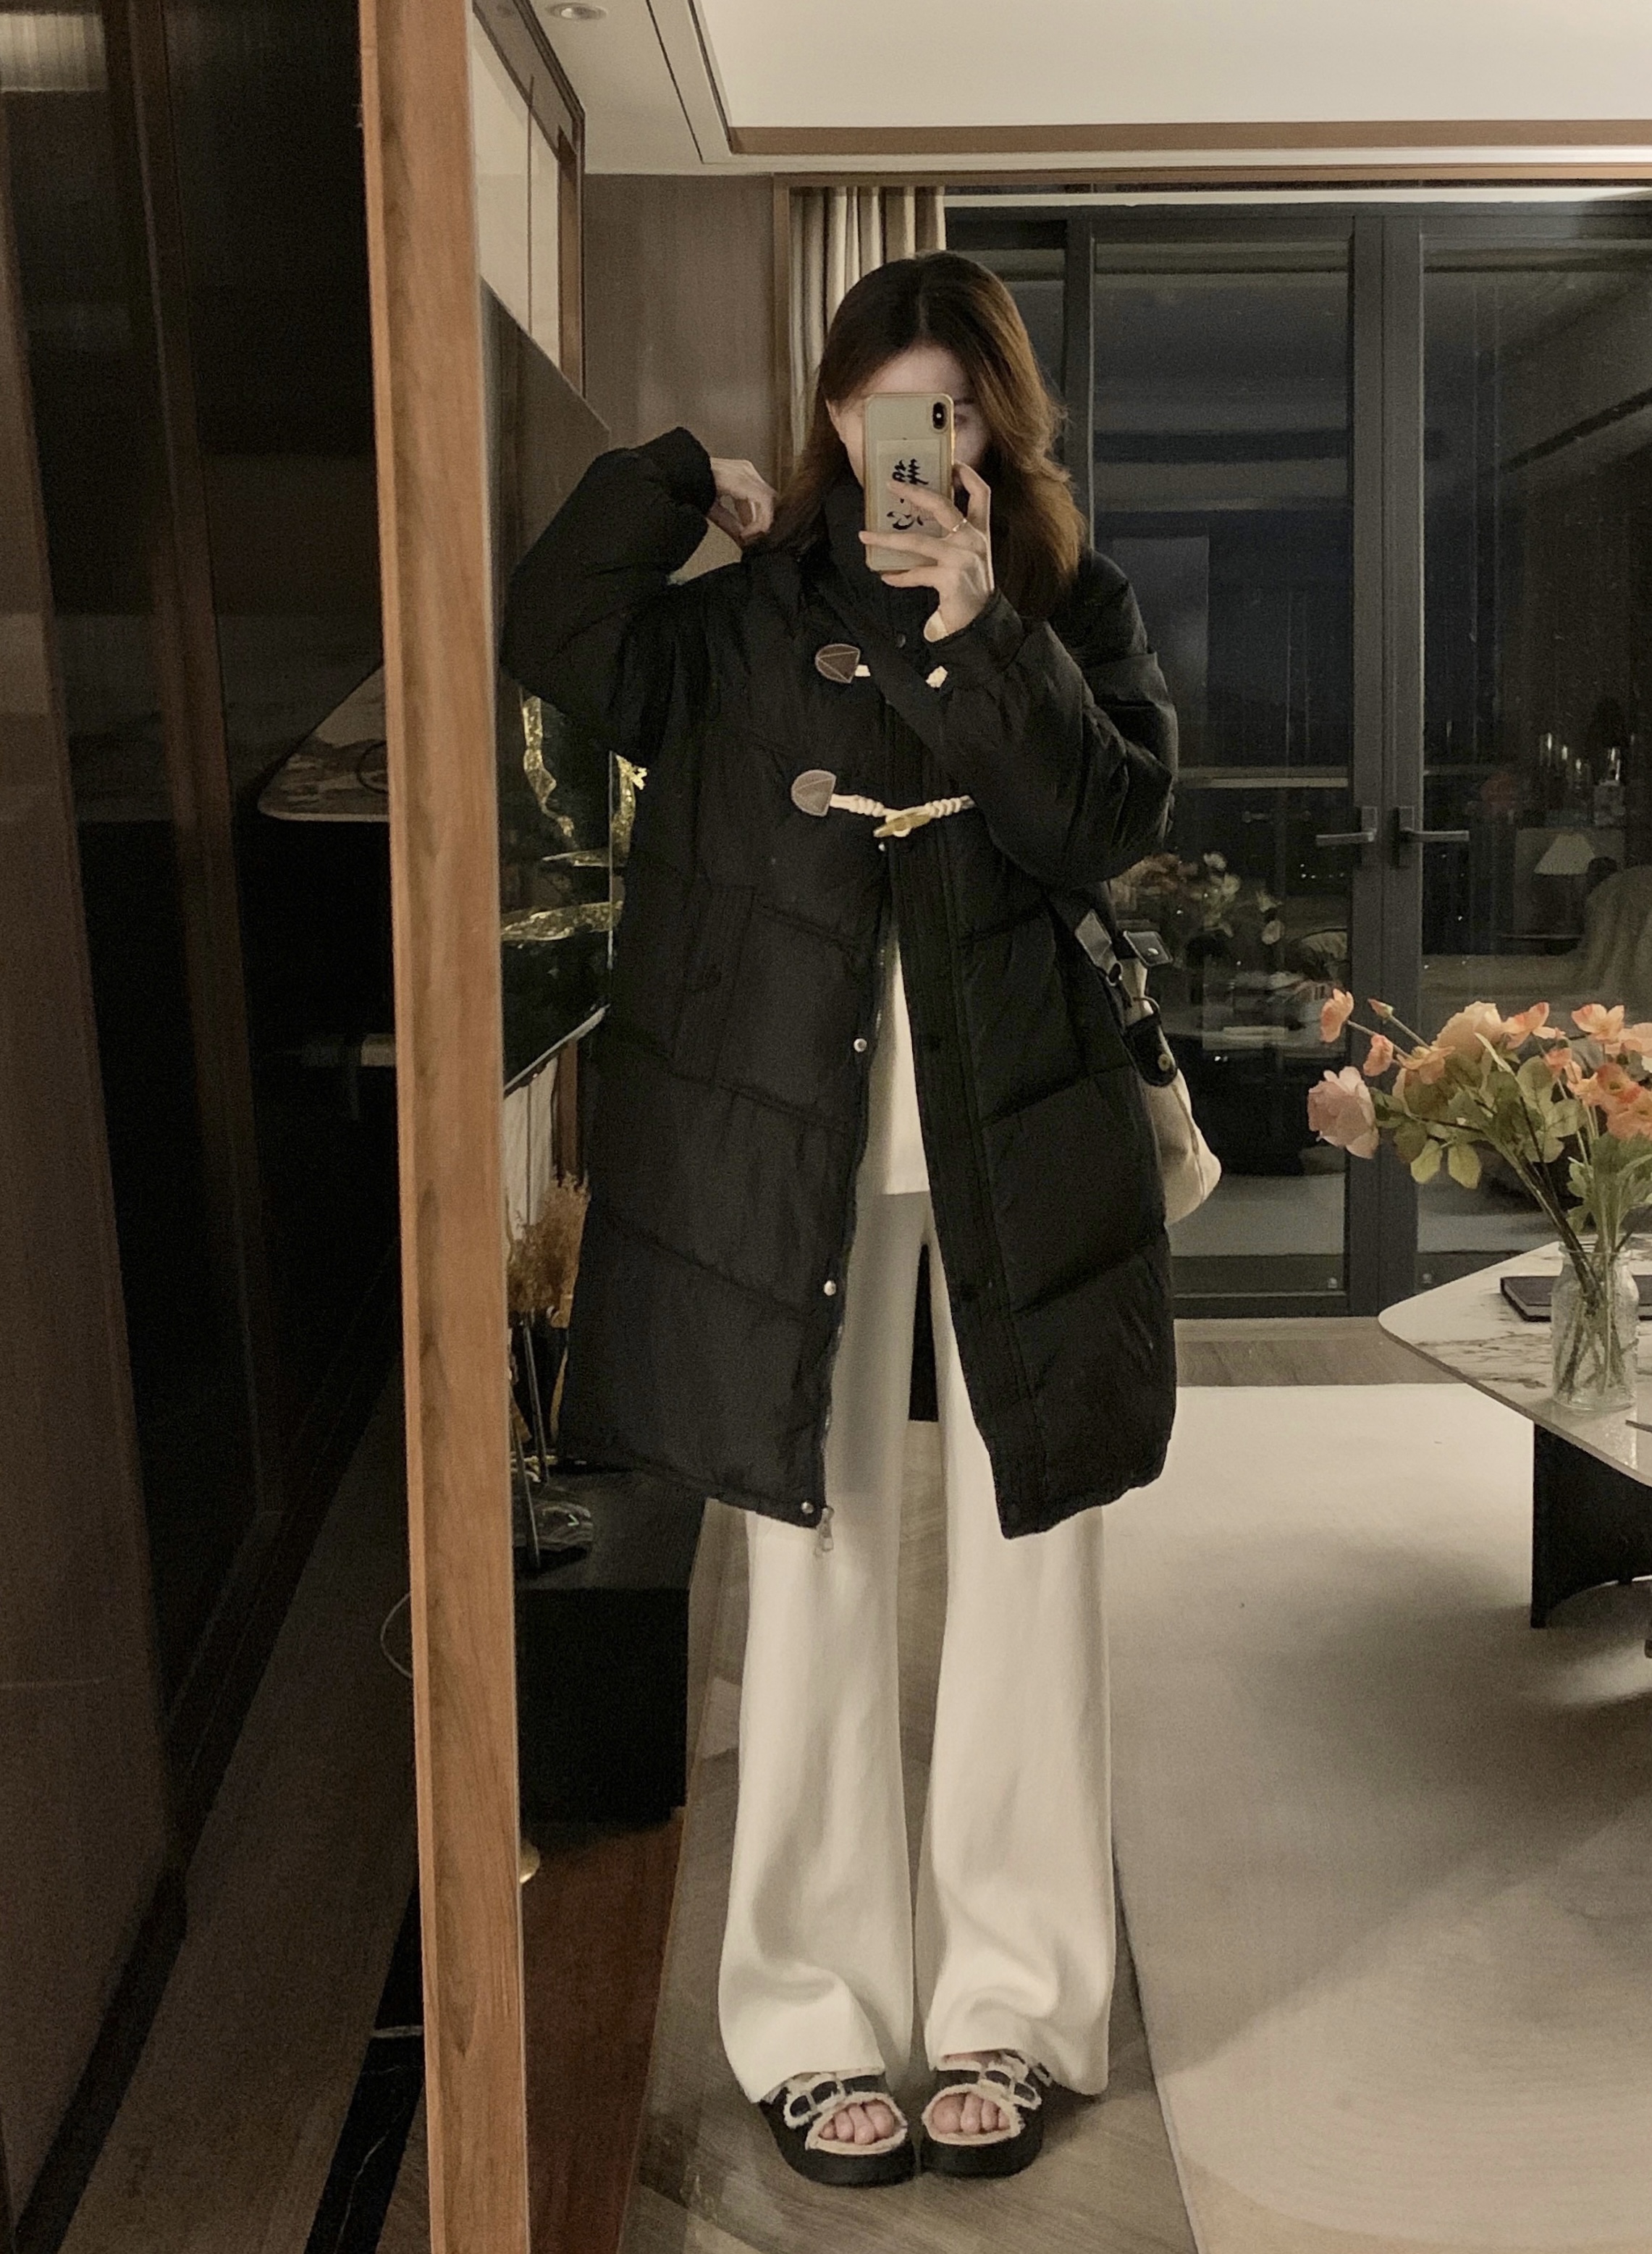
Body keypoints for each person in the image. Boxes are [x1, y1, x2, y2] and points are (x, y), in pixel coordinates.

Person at [501, 251, 1179, 2188]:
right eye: (883, 412)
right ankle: (809, 2014)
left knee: (1032, 1551)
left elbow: (1107, 821)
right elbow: (552, 628)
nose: (915, 449)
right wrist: (673, 484)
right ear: (831, 419)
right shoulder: (736, 622)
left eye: (949, 413)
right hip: (789, 1153)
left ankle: (1013, 2005)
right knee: (810, 1559)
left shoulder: (1065, 604)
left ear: (997, 427)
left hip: (1014, 1138)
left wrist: (982, 635)